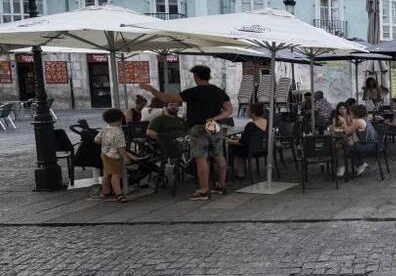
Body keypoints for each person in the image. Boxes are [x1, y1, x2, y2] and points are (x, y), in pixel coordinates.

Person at [140, 65, 232, 200]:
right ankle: (222, 185)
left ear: (196, 77)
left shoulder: (193, 92)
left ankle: (204, 190)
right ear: (209, 76)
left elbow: (166, 98)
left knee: (201, 159)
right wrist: (214, 118)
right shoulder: (219, 91)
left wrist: (151, 89)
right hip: (214, 126)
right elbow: (229, 110)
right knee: (219, 156)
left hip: (198, 127)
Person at [94, 108, 137, 202]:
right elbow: (121, 147)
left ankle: (105, 192)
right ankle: (118, 194)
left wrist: (107, 143)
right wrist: (126, 157)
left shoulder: (105, 129)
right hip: (114, 156)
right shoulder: (119, 132)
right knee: (116, 175)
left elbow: (96, 140)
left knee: (106, 174)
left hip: (104, 154)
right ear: (120, 119)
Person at [227, 103, 268, 179]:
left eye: (247, 110)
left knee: (234, 147)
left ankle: (240, 172)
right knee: (235, 143)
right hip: (262, 148)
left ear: (253, 113)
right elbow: (249, 138)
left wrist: (228, 141)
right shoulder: (266, 121)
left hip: (251, 150)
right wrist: (237, 139)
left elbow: (242, 142)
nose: (246, 112)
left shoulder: (251, 125)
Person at [346, 104, 380, 177]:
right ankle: (361, 164)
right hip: (373, 143)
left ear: (355, 113)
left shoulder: (359, 121)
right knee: (353, 145)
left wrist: (343, 122)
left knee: (348, 150)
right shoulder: (364, 119)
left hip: (370, 144)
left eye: (351, 112)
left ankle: (360, 164)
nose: (350, 114)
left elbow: (348, 131)